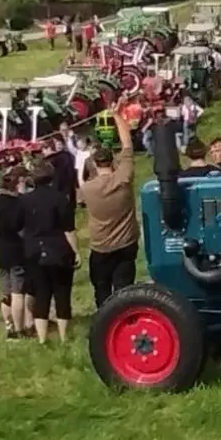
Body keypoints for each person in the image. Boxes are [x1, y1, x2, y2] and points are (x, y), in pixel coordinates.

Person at [81, 110, 139, 307]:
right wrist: (116, 115)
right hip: (125, 242)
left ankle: (104, 321)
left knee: (101, 289)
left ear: (95, 165)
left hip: (101, 246)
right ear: (113, 162)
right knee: (124, 289)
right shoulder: (124, 177)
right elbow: (127, 144)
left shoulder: (87, 189)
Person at [21, 160, 78, 343]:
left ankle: (42, 339)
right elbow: (68, 229)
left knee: (41, 295)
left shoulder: (24, 201)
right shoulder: (60, 198)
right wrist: (76, 251)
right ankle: (63, 337)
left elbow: (21, 227)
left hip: (34, 251)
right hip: (58, 249)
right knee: (62, 294)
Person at [0, 166, 30, 340]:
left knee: (6, 293)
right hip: (16, 249)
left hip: (0, 249)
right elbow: (22, 228)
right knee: (18, 292)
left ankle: (9, 326)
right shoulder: (18, 204)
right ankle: (20, 330)